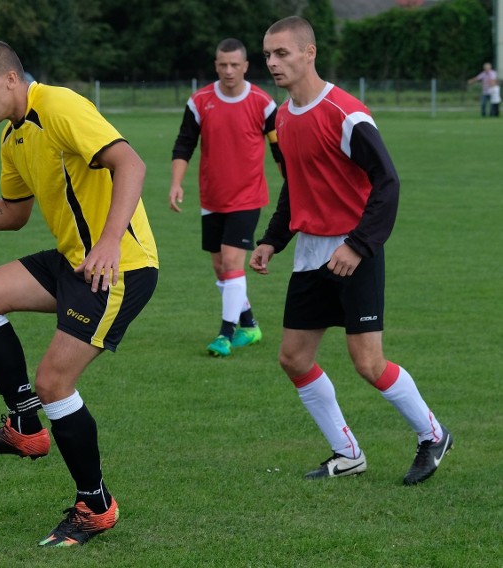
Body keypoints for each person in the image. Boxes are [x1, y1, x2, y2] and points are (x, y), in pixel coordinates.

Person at [0, 40, 159, 546]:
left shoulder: (59, 106)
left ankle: (96, 505)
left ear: (11, 79)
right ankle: (25, 427)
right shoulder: (13, 138)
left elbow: (132, 165)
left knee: (54, 383)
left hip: (118, 267)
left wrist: (108, 244)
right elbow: (14, 214)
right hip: (73, 261)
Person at [252, 16, 453, 485]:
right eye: (268, 55)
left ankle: (433, 434)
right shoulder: (281, 118)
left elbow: (388, 182)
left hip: (354, 250)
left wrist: (358, 246)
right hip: (309, 253)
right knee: (293, 358)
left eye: (282, 53)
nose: (273, 63)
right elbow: (294, 187)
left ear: (309, 53)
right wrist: (271, 240)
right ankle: (347, 453)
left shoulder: (346, 114)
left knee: (368, 363)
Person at [169, 38, 282, 357]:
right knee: (222, 269)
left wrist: (294, 186)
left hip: (248, 198)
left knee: (233, 263)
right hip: (212, 199)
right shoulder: (199, 101)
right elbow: (184, 144)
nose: (229, 70)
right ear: (216, 65)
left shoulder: (263, 103)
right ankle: (249, 325)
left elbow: (280, 150)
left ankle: (225, 335)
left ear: (246, 66)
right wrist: (176, 184)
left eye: (235, 64)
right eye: (223, 64)